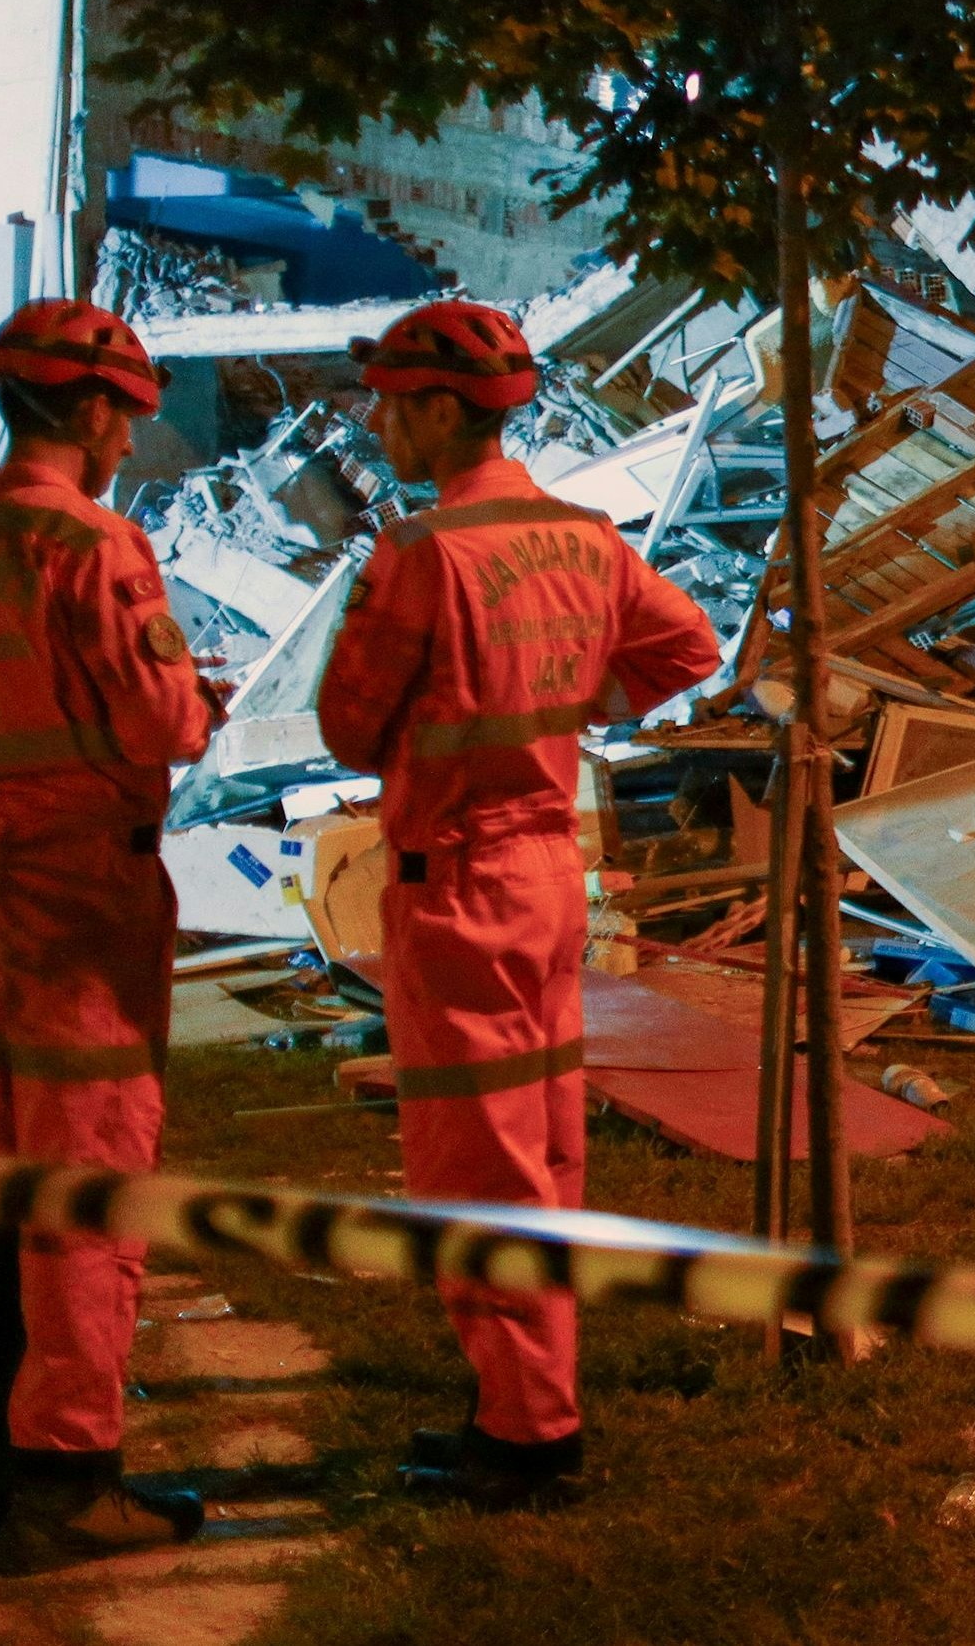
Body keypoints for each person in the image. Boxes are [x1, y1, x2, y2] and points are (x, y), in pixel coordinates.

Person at [316, 299, 720, 1510]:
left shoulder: (421, 553)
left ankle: (529, 1438)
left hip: (458, 892)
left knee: (480, 1173)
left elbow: (346, 725)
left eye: (390, 401)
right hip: (551, 876)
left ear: (443, 410)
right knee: (544, 1155)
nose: (378, 423)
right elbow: (686, 651)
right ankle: (532, 1404)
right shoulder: (584, 535)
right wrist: (570, 703)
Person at [0, 301, 220, 1566]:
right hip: (79, 899)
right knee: (84, 1175)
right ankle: (68, 1476)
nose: (127, 442)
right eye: (125, 418)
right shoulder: (100, 552)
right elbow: (167, 726)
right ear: (92, 413)